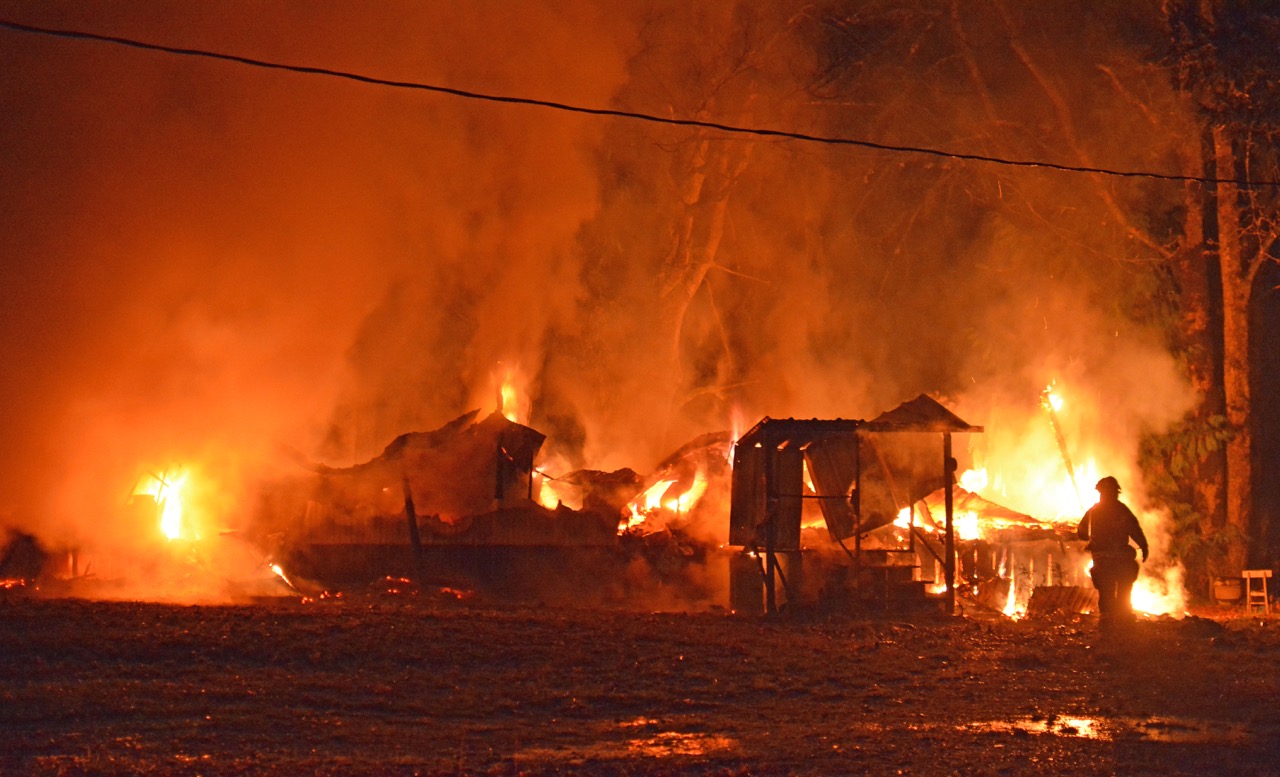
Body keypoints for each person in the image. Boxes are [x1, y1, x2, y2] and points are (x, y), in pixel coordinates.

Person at [1077, 476, 1149, 628]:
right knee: (1123, 591)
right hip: (1123, 560)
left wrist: (1091, 539)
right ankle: (1122, 622)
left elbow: (1081, 532)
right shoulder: (1122, 510)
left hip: (1102, 561)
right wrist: (1143, 546)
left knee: (1106, 592)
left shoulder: (1093, 511)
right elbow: (1135, 530)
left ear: (1101, 492)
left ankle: (1107, 623)